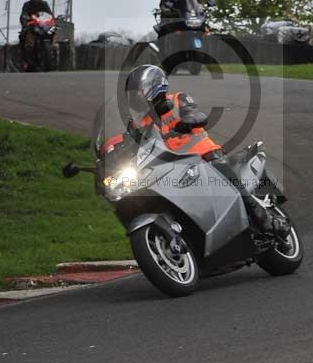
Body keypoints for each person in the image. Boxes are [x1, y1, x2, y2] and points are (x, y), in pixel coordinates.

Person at [124, 64, 290, 237]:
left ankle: (263, 218)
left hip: (205, 156)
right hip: (175, 168)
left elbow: (198, 115)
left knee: (219, 170)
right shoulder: (140, 124)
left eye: (137, 90)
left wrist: (187, 121)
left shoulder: (177, 100)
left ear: (153, 85)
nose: (134, 96)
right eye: (131, 93)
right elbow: (130, 145)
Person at [19, 0, 54, 69]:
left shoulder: (44, 4)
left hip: (42, 24)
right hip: (31, 24)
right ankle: (23, 56)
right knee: (23, 35)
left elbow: (49, 14)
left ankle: (52, 48)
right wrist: (25, 19)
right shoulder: (27, 4)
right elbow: (23, 14)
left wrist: (52, 19)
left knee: (53, 30)